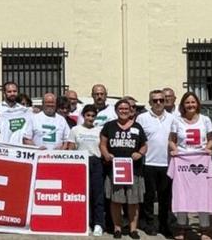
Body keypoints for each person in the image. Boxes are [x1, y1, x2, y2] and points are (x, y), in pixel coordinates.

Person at [168, 91, 212, 240]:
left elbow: (211, 139)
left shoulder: (205, 120)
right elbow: (171, 140)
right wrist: (174, 150)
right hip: (182, 161)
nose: (190, 105)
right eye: (187, 102)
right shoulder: (177, 121)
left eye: (193, 102)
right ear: (183, 105)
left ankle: (205, 228)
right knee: (182, 194)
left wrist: (208, 148)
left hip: (201, 160)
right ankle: (182, 227)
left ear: (197, 104)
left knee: (203, 194)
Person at [100, 99, 146, 238]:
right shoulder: (109, 126)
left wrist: (140, 153)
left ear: (131, 110)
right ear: (116, 110)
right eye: (121, 108)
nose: (124, 111)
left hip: (134, 170)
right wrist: (106, 154)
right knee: (116, 200)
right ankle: (117, 228)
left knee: (133, 201)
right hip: (115, 169)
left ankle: (133, 229)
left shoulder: (137, 127)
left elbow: (144, 145)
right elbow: (102, 144)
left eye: (126, 109)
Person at [136, 89, 174, 238]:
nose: (158, 103)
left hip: (167, 163)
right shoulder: (142, 118)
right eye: (155, 100)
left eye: (161, 100)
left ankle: (164, 225)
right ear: (150, 102)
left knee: (166, 198)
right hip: (148, 164)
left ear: (165, 101)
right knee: (149, 197)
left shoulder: (172, 118)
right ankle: (149, 224)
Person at [70, 104, 107, 237]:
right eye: (88, 115)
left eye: (93, 116)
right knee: (83, 195)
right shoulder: (75, 130)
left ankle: (98, 224)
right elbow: (71, 147)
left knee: (97, 194)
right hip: (80, 162)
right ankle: (85, 222)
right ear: (83, 116)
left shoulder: (99, 130)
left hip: (96, 163)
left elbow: (103, 147)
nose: (90, 118)